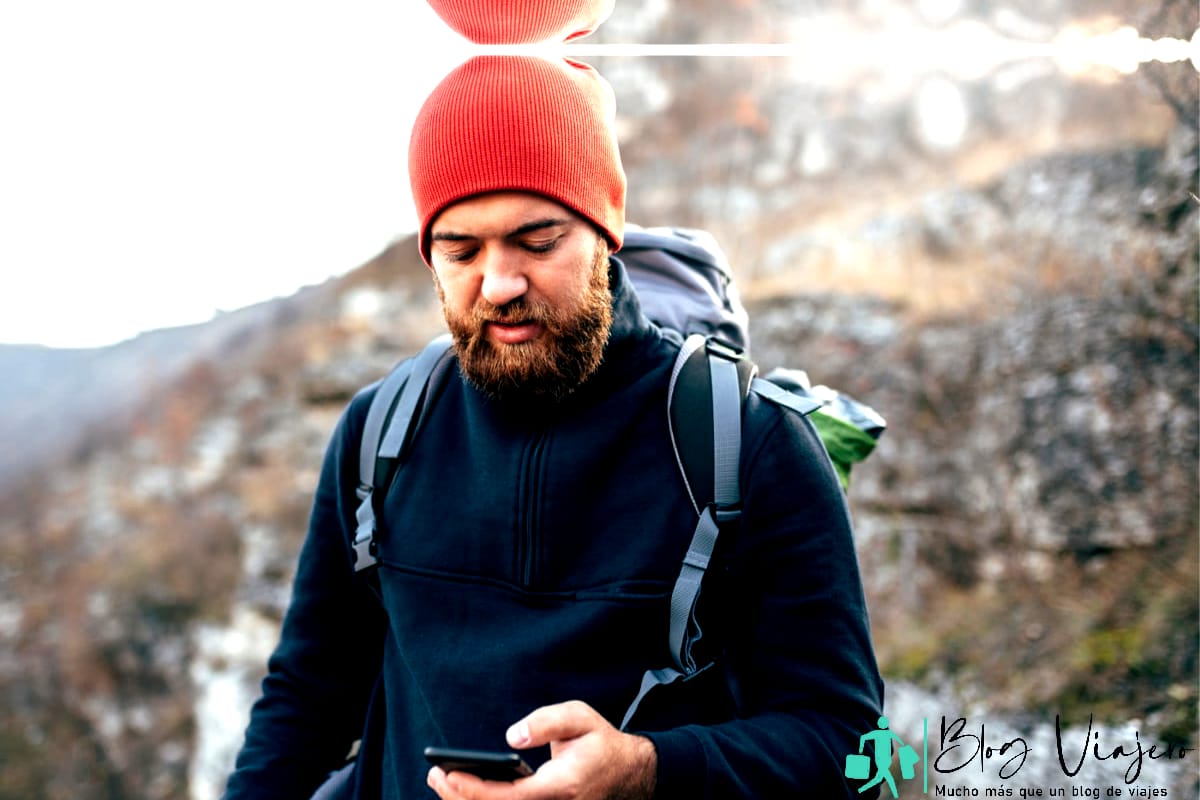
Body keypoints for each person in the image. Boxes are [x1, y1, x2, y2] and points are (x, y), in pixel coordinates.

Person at [223, 54, 884, 800]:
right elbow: (306, 700)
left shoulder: (747, 442)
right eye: (460, 250)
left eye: (537, 242)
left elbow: (849, 742)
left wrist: (645, 768)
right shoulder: (381, 434)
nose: (500, 285)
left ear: (604, 230)